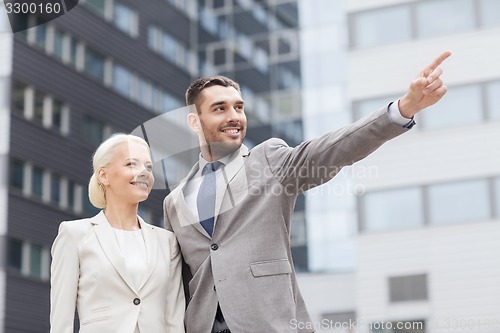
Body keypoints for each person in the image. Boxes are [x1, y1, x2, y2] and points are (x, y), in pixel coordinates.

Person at [163, 51, 452, 333]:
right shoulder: (175, 201)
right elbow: (176, 284)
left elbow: (331, 150)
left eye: (238, 107)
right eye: (220, 108)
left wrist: (403, 109)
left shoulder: (268, 161)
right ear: (194, 121)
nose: (234, 116)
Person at [50, 134, 185, 333]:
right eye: (132, 164)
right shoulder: (74, 235)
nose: (144, 172)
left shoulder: (167, 242)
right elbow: (61, 322)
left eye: (148, 167)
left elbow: (174, 318)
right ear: (104, 175)